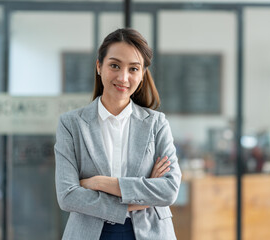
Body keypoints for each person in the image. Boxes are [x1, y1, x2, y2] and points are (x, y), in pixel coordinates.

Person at [54, 28, 182, 240]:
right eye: (114, 65)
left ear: (142, 75)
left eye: (133, 69)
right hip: (88, 233)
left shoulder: (157, 124)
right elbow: (68, 196)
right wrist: (141, 197)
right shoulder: (71, 124)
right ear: (99, 66)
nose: (123, 77)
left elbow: (169, 190)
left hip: (151, 232)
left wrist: (98, 183)